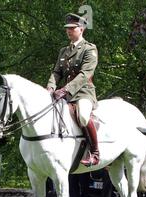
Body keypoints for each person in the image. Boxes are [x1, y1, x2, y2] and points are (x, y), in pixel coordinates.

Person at [47, 13, 99, 166]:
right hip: (66, 95)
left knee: (83, 115)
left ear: (81, 29)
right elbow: (57, 72)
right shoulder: (64, 51)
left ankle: (95, 153)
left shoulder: (90, 49)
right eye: (67, 28)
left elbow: (85, 74)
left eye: (72, 28)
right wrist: (51, 87)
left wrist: (65, 89)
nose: (68, 31)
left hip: (84, 93)